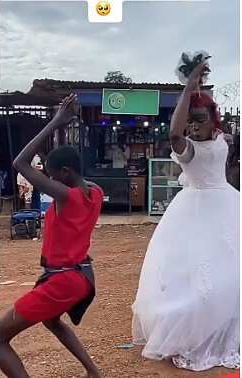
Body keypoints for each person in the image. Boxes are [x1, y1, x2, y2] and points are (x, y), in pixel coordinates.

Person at [132, 63, 240, 371]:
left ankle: (225, 324)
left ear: (212, 120)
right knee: (193, 271)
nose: (193, 126)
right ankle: (194, 329)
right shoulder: (186, 148)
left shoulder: (221, 139)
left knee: (229, 268)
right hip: (195, 210)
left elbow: (221, 141)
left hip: (227, 205)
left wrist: (197, 89)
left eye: (200, 120)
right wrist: (187, 88)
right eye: (191, 121)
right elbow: (173, 132)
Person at [0, 94, 103, 378]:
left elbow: (20, 163)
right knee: (52, 322)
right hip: (81, 276)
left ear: (65, 173)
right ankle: (93, 373)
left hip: (62, 281)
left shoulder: (66, 196)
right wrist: (59, 128)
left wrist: (55, 121)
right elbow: (65, 169)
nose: (48, 179)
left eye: (51, 175)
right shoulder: (93, 192)